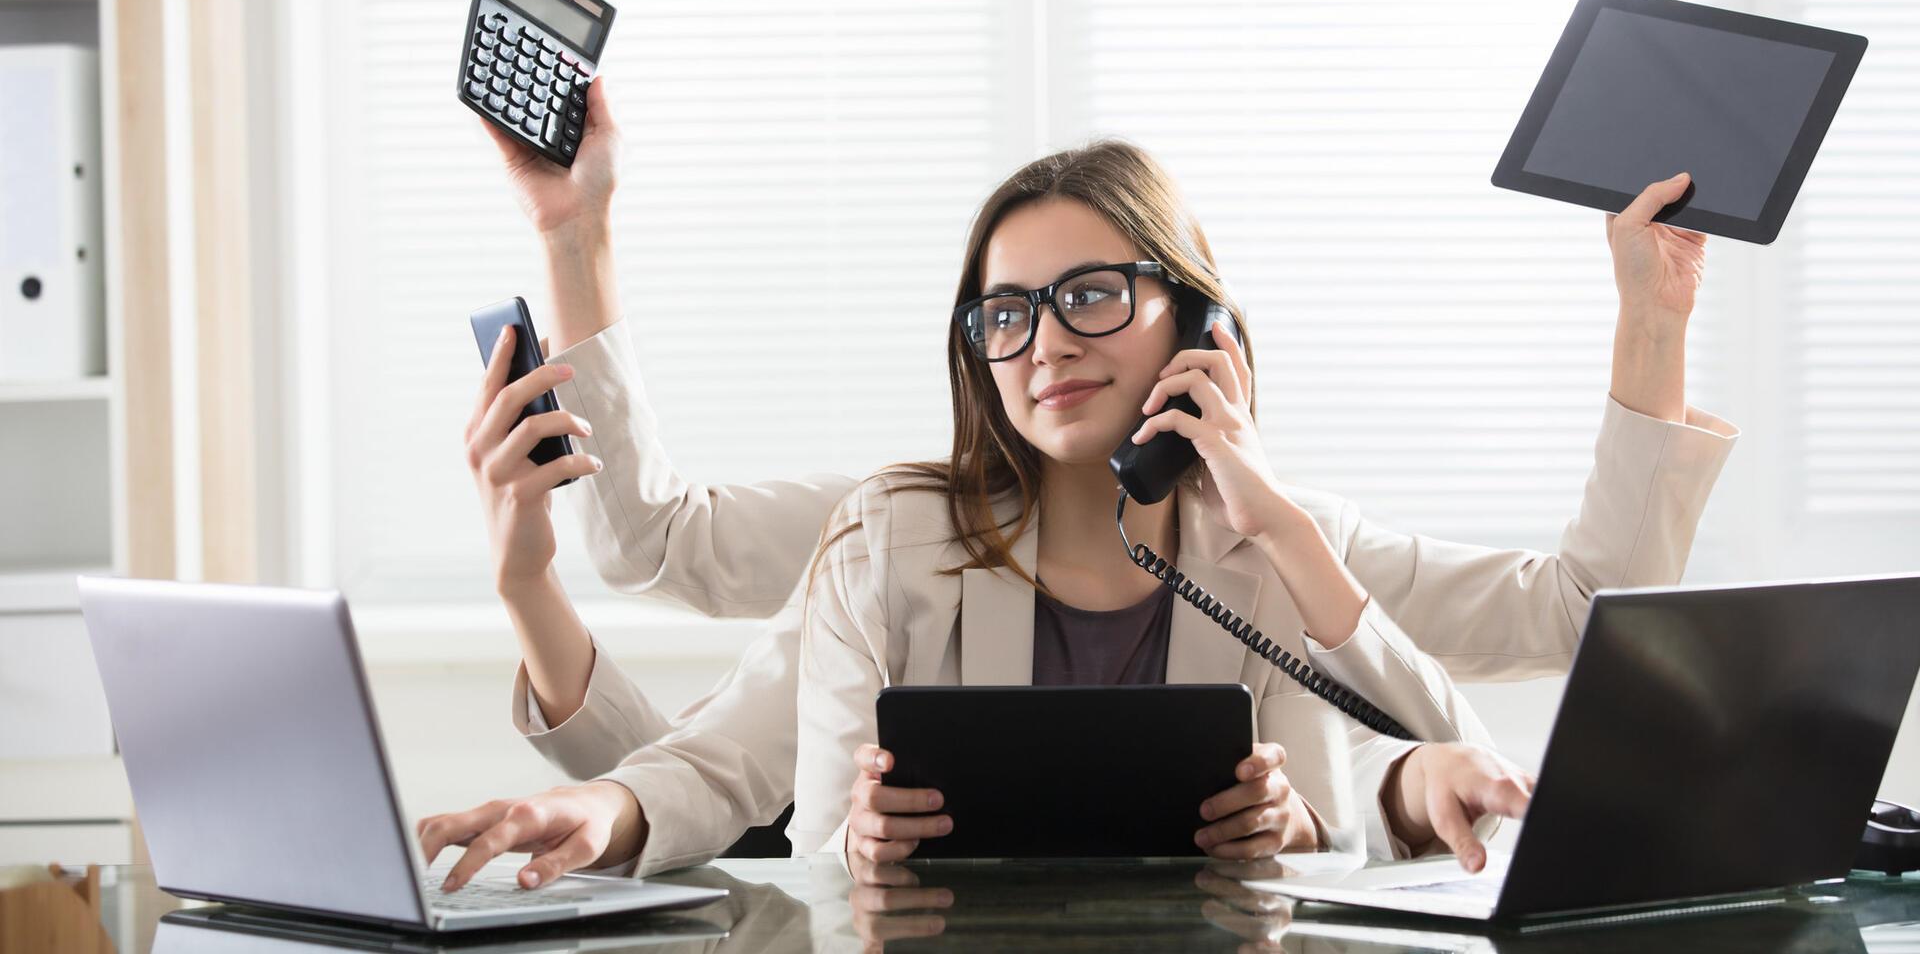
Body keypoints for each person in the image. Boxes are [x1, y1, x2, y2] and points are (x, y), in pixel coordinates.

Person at [416, 81, 1739, 889]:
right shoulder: (891, 540)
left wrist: (1655, 317)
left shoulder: (1280, 547)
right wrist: (803, 840)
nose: (1045, 342)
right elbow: (717, 765)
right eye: (1007, 315)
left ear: (1197, 322)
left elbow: (1571, 620)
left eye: (1093, 295)